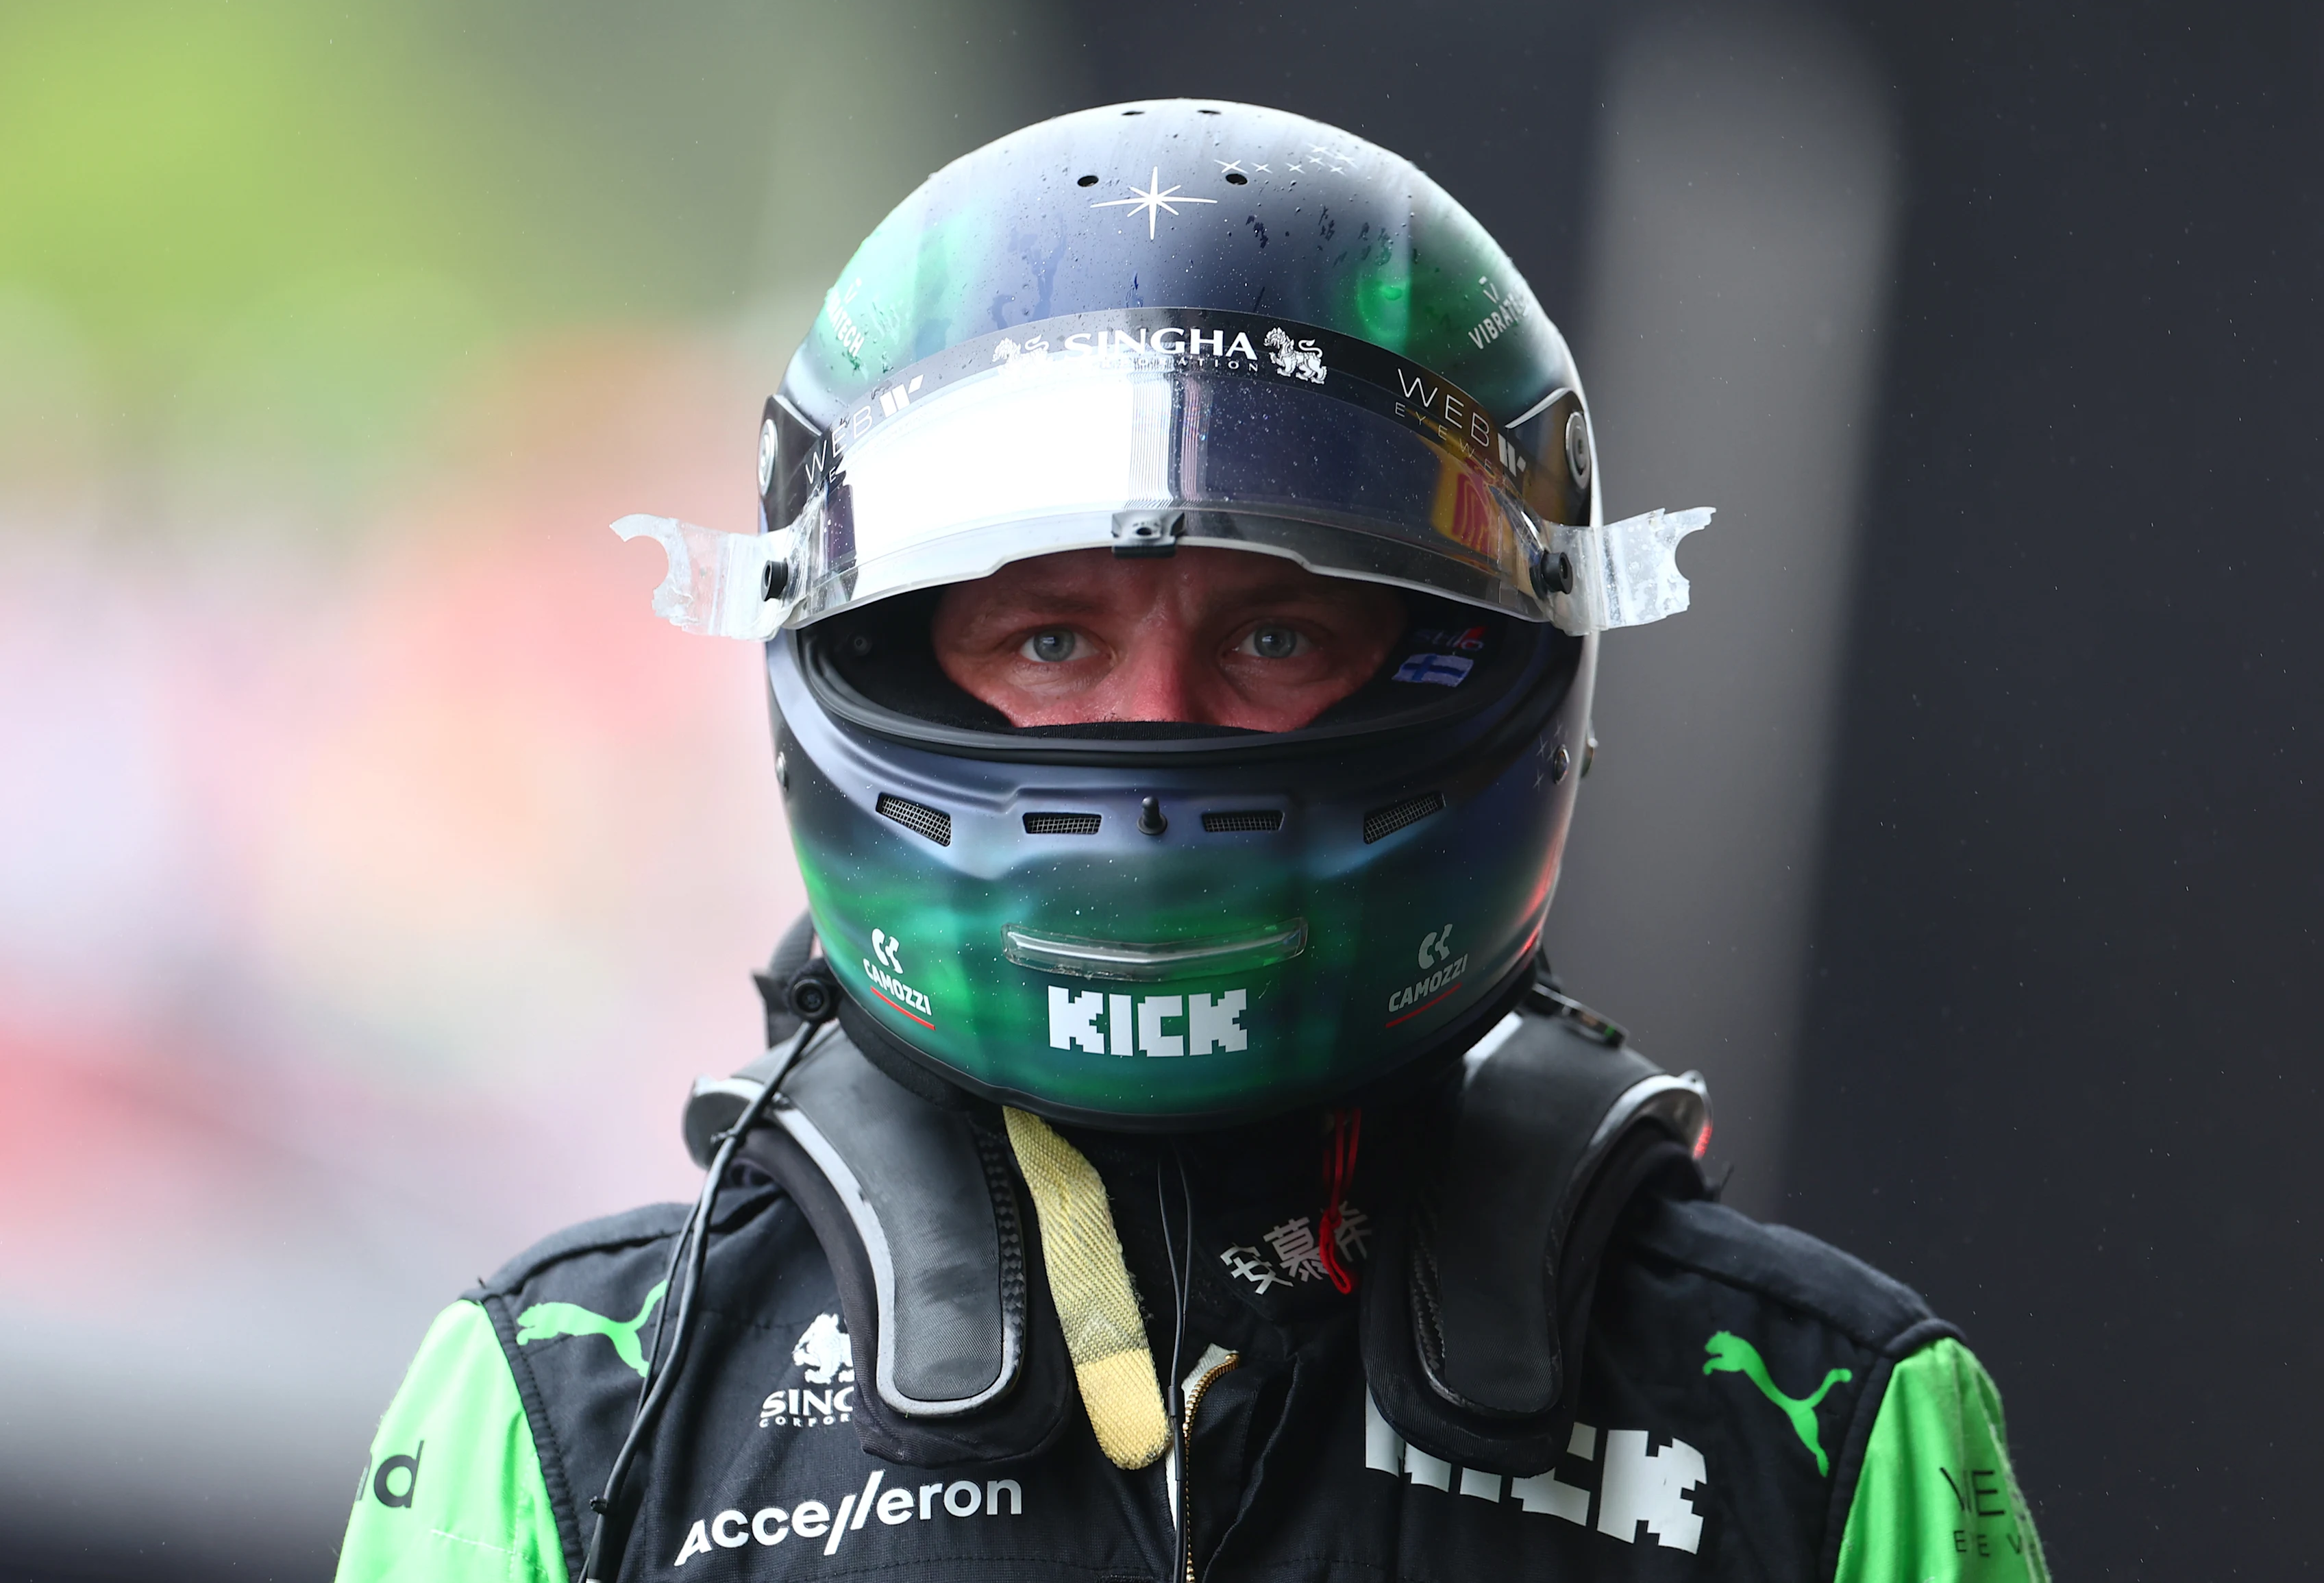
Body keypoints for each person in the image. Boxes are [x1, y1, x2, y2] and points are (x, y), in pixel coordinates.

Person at [335, 101, 2046, 1582]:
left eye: (1276, 637)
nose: (1153, 731)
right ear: (865, 661)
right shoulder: (580, 1403)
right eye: (1050, 640)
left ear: (1478, 666)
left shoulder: (1824, 1417)